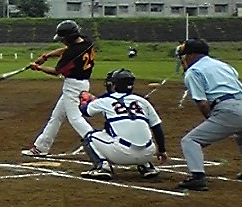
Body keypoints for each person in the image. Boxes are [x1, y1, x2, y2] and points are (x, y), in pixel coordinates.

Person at [177, 38, 242, 191]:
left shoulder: (194, 71)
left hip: (229, 110)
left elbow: (202, 103)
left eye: (185, 54)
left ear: (192, 55)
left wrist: (212, 119)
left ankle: (197, 177)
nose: (184, 58)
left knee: (190, 140)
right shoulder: (224, 65)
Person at [21, 20, 96, 157]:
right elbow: (66, 50)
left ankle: (97, 143)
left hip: (73, 86)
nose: (62, 41)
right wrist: (46, 56)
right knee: (56, 117)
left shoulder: (71, 54)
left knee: (75, 118)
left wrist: (38, 68)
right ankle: (41, 147)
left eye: (63, 38)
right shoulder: (86, 41)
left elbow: (56, 72)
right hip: (82, 83)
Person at [78, 68, 167, 180]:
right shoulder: (143, 101)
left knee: (89, 137)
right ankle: (147, 166)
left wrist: (84, 101)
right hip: (148, 153)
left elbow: (85, 111)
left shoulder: (105, 100)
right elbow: (157, 128)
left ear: (114, 85)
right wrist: (162, 150)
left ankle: (102, 167)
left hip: (121, 154)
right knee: (135, 129)